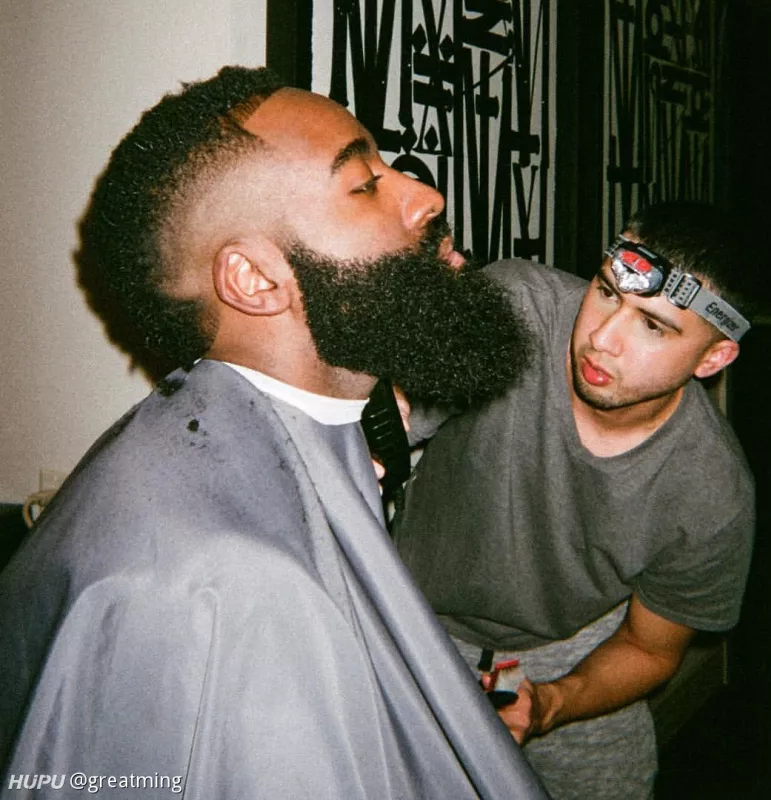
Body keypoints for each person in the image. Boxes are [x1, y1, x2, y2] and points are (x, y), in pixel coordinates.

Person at [0, 66, 550, 798]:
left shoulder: (296, 431)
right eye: (364, 184)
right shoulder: (223, 582)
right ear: (256, 281)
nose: (427, 197)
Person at [392, 201, 756, 799]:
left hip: (577, 651)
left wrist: (550, 705)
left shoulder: (712, 493)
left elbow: (647, 648)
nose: (602, 339)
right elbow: (380, 426)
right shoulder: (515, 310)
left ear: (713, 357)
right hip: (408, 619)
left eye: (653, 326)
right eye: (607, 292)